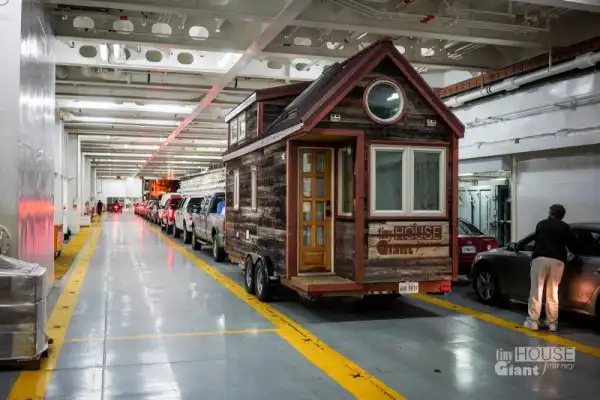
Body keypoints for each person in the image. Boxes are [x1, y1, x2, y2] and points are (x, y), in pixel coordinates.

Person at [524, 204, 577, 332]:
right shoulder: (565, 227)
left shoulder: (541, 224)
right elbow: (572, 245)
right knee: (553, 292)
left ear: (551, 213)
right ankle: (552, 323)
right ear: (562, 215)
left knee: (536, 291)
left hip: (540, 259)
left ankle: (533, 321)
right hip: (557, 261)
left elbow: (536, 242)